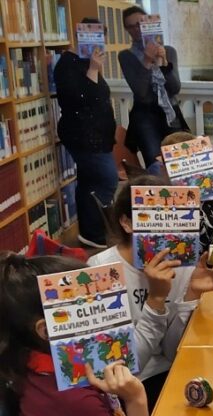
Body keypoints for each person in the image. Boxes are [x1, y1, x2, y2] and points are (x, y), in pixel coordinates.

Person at [1, 253, 148, 416]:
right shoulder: (74, 399)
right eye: (90, 310)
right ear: (46, 331)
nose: (110, 317)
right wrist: (136, 400)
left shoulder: (31, 367)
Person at [88, 175, 213, 410]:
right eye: (153, 218)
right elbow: (124, 369)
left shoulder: (182, 264)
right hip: (130, 386)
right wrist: (155, 300)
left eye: (174, 218)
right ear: (127, 223)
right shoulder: (100, 270)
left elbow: (174, 352)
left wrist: (191, 294)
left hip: (171, 372)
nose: (166, 229)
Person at [53, 19, 117, 249]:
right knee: (107, 178)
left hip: (98, 134)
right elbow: (80, 99)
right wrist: (92, 69)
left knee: (89, 181)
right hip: (83, 135)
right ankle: (97, 230)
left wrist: (94, 68)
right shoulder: (66, 65)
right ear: (79, 36)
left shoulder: (86, 62)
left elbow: (100, 96)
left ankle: (92, 234)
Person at [119, 6, 189, 166]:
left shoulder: (169, 51)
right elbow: (141, 93)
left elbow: (175, 88)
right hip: (145, 116)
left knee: (179, 160)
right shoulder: (126, 56)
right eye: (131, 26)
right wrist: (146, 61)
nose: (136, 29)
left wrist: (163, 63)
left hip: (170, 113)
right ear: (126, 30)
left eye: (140, 24)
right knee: (155, 162)